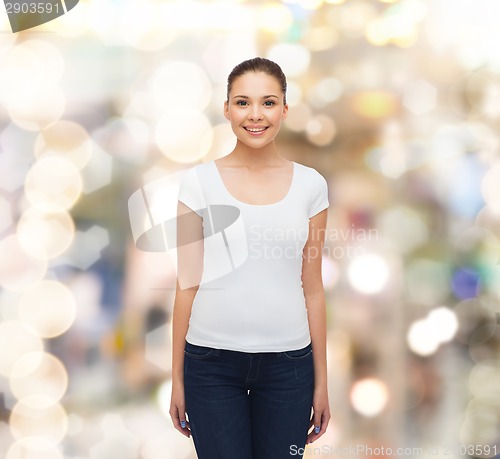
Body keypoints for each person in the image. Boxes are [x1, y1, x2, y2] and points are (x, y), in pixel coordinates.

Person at [169, 57, 330, 459]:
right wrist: (177, 378)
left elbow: (313, 288)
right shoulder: (197, 183)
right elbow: (186, 283)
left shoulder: (311, 185)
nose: (255, 115)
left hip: (290, 368)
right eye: (242, 102)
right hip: (209, 365)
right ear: (226, 109)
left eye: (268, 102)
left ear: (285, 110)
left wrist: (321, 382)